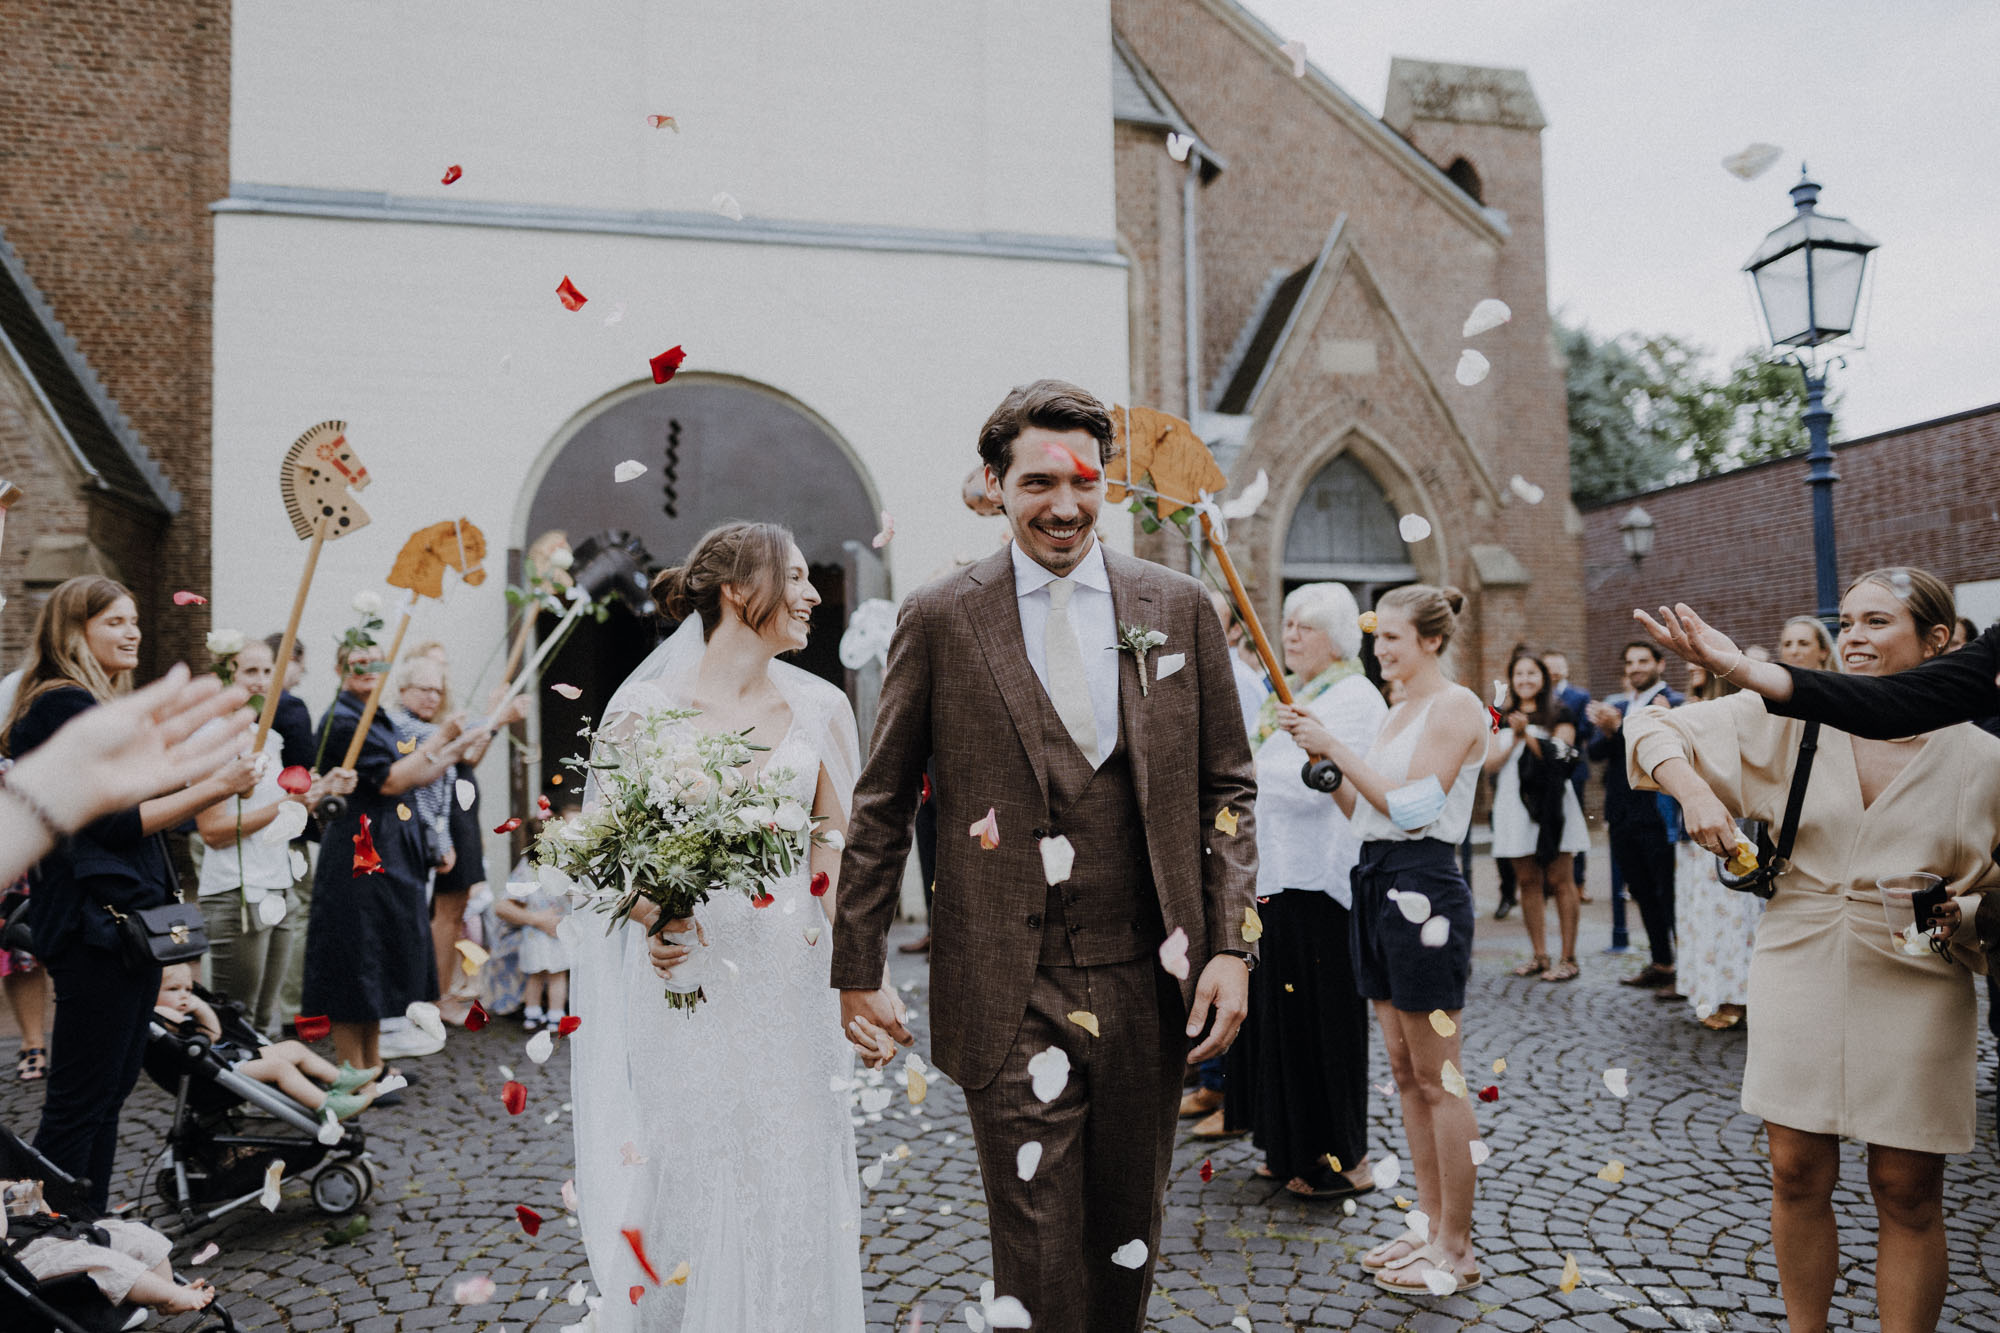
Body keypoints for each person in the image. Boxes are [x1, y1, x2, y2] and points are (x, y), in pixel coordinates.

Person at [831, 381, 1258, 1333]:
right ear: (995, 484)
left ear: (1104, 481)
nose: (1064, 506)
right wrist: (858, 965)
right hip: (1006, 978)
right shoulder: (941, 615)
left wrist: (1233, 945)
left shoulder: (1179, 606)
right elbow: (884, 797)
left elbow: (1228, 788)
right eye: (1037, 483)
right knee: (1033, 1237)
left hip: (1150, 974)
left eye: (1082, 481)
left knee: (1126, 1229)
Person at [1626, 567, 1999, 1333]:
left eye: (1877, 622)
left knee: (1907, 1187)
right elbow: (1652, 729)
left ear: (1938, 641)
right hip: (1799, 951)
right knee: (1795, 1170)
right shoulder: (1792, 719)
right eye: (1847, 621)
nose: (1853, 637)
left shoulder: (1984, 758)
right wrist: (1694, 791)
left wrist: (1958, 913)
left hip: (1919, 975)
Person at [566, 521, 880, 1332]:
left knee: (791, 1156)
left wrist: (858, 973)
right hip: (688, 983)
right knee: (691, 1156)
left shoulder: (822, 707)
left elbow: (835, 853)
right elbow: (602, 855)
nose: (812, 595)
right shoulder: (643, 711)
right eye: (796, 577)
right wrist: (654, 912)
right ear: (740, 591)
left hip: (790, 979)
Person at [0, 577, 259, 1211]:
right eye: (115, 621)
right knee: (81, 1098)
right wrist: (215, 787)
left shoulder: (86, 701)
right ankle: (49, 1229)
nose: (133, 632)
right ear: (73, 630)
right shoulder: (61, 704)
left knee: (109, 1090)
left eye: (135, 619)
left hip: (121, 926)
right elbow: (112, 824)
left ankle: (86, 1218)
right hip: (96, 927)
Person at [1282, 583, 1486, 1294]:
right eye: (1376, 638)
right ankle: (1427, 1226)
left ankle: (1457, 1247)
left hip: (1424, 886)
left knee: (1440, 1076)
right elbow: (1363, 812)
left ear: (1432, 640)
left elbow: (1413, 807)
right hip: (1375, 878)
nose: (1379, 650)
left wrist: (1335, 744)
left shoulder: (1456, 706)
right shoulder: (1397, 710)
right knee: (1404, 1072)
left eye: (1393, 638)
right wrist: (1324, 764)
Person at [1225, 581, 1384, 1197]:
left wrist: (1250, 775)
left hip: (1319, 879)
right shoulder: (1290, 697)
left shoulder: (1354, 697)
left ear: (1336, 639)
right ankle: (1287, 1144)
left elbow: (1310, 781)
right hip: (1276, 874)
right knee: (1281, 1020)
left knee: (1323, 1021)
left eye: (1305, 627)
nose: (1290, 636)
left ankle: (1339, 1155)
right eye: (1287, 624)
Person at [301, 642, 474, 1078]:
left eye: (374, 660)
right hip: (358, 852)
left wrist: (452, 748)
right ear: (339, 667)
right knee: (354, 960)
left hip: (388, 850)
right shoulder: (343, 720)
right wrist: (442, 738)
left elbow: (419, 774)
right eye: (356, 661)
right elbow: (393, 781)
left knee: (375, 961)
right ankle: (352, 1072)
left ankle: (374, 1065)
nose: (366, 668)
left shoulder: (373, 715)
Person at [194, 638, 354, 1034]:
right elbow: (213, 832)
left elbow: (281, 816)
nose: (262, 681)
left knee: (266, 1024)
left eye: (269, 671)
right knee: (236, 1023)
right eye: (251, 671)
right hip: (237, 891)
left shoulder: (271, 738)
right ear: (225, 675)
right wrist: (288, 804)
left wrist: (320, 791)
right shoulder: (212, 737)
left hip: (279, 887)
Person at [0, 665, 252, 886]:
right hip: (99, 902)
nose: (133, 634)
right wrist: (220, 786)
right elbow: (118, 825)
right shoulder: (59, 701)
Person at [1182, 586, 1270, 1135]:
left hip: (1224, 834)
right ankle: (1207, 1078)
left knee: (1226, 962)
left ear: (1234, 630)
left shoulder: (1239, 681)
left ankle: (1223, 1089)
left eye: (1213, 621)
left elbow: (1237, 768)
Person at [152, 963, 381, 1117]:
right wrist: (166, 1012)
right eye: (173, 989)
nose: (184, 995)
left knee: (293, 1048)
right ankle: (326, 1105)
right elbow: (175, 1027)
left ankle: (340, 1079)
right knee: (279, 1067)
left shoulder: (188, 1010)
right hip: (218, 1074)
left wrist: (201, 1007)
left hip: (233, 1058)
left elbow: (214, 1035)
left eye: (188, 989)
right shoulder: (160, 1016)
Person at [1666, 666, 1761, 1031]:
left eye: (1698, 667)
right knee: (1701, 915)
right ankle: (1711, 992)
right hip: (1691, 829)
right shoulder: (1688, 709)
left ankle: (1737, 995)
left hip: (1728, 822)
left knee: (1731, 914)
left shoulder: (1734, 714)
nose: (1691, 672)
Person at [1485, 649, 1589, 982]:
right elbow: (1490, 763)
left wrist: (1527, 735)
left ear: (1543, 678)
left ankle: (1568, 957)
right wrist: (1514, 736)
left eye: (1532, 673)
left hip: (1553, 804)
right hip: (1514, 804)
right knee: (1527, 880)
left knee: (1560, 879)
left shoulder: (1560, 711)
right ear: (1511, 679)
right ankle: (1539, 955)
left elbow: (1560, 758)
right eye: (1519, 674)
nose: (1525, 680)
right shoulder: (1498, 715)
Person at [1585, 643, 1683, 990]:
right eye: (1629, 662)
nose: (1635, 668)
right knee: (1641, 890)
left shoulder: (1673, 702)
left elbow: (1664, 748)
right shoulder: (1621, 705)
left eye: (1643, 661)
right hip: (1623, 815)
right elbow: (1595, 752)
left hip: (1657, 814)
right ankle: (1662, 962)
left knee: (1668, 893)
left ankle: (1688, 971)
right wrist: (1609, 729)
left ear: (1660, 664)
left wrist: (1620, 726)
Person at [2, 1177, 216, 1314]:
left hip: (60, 1233)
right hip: (29, 1258)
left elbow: (45, 1217)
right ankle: (172, 1295)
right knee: (105, 1262)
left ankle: (166, 1295)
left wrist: (35, 1200)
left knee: (136, 1234)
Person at [1542, 650, 1595, 903]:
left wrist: (1563, 727)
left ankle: (1578, 881)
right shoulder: (1538, 697)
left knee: (1573, 823)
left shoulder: (1579, 696)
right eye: (1548, 666)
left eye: (1558, 665)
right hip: (1543, 769)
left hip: (1572, 769)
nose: (1553, 671)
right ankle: (1547, 882)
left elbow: (1586, 728)